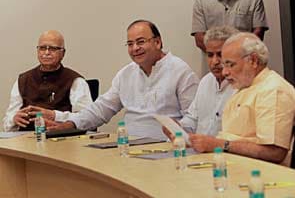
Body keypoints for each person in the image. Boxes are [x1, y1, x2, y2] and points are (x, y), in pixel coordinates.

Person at [47, 20, 199, 140]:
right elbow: (101, 109)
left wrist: (176, 135)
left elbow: (193, 120)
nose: (135, 48)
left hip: (165, 150)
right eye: (130, 44)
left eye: (140, 42)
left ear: (157, 42)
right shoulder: (126, 74)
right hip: (127, 146)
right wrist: (71, 124)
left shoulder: (180, 71)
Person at [165, 32, 295, 164]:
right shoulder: (244, 86)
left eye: (230, 65)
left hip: (263, 175)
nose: (225, 72)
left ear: (253, 61)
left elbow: (275, 152)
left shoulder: (272, 90)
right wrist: (193, 140)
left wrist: (218, 144)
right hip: (231, 166)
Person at [3, 30, 92, 131]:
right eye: (42, 48)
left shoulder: (75, 81)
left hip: (61, 140)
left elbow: (87, 119)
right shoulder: (23, 79)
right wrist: (14, 119)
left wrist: (55, 116)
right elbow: (7, 124)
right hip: (25, 140)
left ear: (63, 53)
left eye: (53, 49)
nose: (46, 53)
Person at [179, 26, 238, 136]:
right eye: (210, 55)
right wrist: (177, 129)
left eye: (220, 54)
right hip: (199, 151)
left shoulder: (242, 86)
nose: (215, 61)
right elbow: (192, 119)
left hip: (225, 150)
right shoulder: (205, 81)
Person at [191, 0, 269, 52]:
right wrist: (221, 56)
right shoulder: (201, 1)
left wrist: (237, 56)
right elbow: (199, 39)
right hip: (214, 68)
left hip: (244, 64)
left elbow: (258, 34)